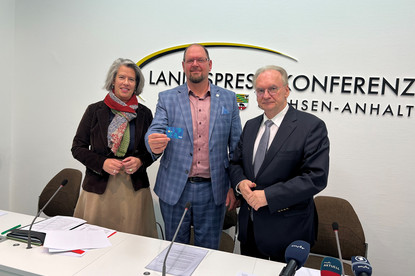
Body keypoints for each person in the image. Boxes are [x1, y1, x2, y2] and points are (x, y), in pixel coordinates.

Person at [145, 44, 242, 249]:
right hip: (174, 188)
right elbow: (155, 130)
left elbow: (236, 147)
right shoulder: (167, 98)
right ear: (183, 66)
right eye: (190, 60)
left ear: (210, 65)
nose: (195, 64)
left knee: (207, 251)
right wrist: (152, 142)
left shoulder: (229, 98)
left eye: (200, 60)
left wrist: (234, 186)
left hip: (213, 189)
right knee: (173, 249)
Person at [229, 65, 329, 262]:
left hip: (288, 231)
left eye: (272, 88)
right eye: (260, 90)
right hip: (250, 230)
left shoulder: (311, 126)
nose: (266, 95)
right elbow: (235, 164)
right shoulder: (250, 125)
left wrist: (268, 196)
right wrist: (240, 183)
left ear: (286, 90)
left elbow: (315, 177)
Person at [72, 58, 157, 238]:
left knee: (133, 248)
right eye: (121, 77)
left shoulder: (145, 114)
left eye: (131, 79)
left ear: (137, 84)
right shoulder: (94, 111)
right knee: (92, 244)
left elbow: (153, 151)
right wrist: (102, 162)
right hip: (98, 189)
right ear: (113, 80)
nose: (126, 83)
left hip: (134, 190)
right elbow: (77, 147)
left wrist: (140, 160)